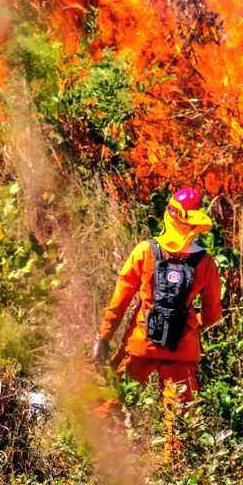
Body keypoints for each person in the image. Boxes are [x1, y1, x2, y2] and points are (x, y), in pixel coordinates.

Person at [93, 187, 223, 461]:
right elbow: (212, 315)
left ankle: (97, 458)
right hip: (182, 350)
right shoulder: (206, 263)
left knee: (112, 400)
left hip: (142, 343)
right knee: (179, 420)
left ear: (169, 216)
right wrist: (189, 324)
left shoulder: (145, 251)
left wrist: (103, 338)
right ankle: (174, 477)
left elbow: (120, 301)